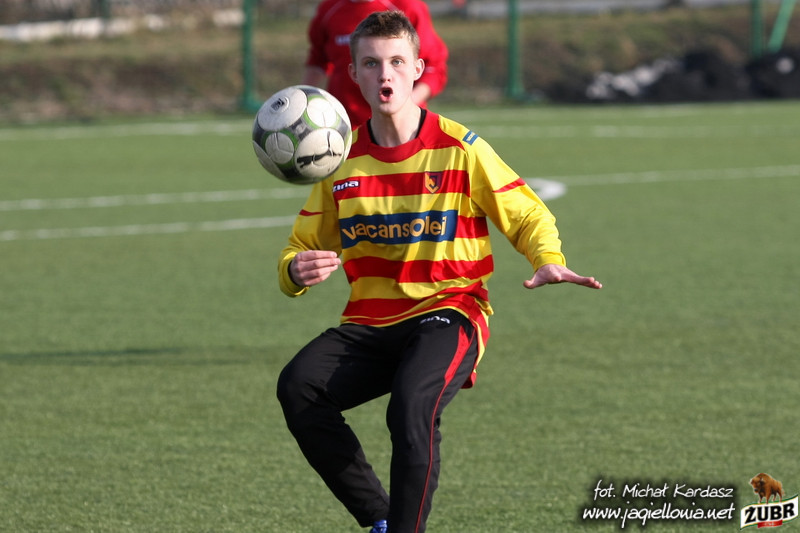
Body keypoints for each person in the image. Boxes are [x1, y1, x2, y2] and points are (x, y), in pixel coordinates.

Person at [276, 11, 602, 533]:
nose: (385, 74)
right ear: (353, 75)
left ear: (417, 69)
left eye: (396, 61)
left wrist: (547, 259)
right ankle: (381, 519)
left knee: (411, 408)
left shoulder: (460, 148)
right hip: (370, 323)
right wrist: (295, 270)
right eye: (371, 63)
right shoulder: (340, 162)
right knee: (299, 387)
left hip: (450, 311)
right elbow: (300, 247)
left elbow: (527, 213)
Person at [302, 0, 448, 128]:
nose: (384, 74)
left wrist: (405, 103)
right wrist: (303, 102)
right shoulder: (328, 10)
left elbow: (434, 67)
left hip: (401, 126)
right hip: (345, 125)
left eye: (396, 61)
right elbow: (317, 60)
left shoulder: (408, 6)